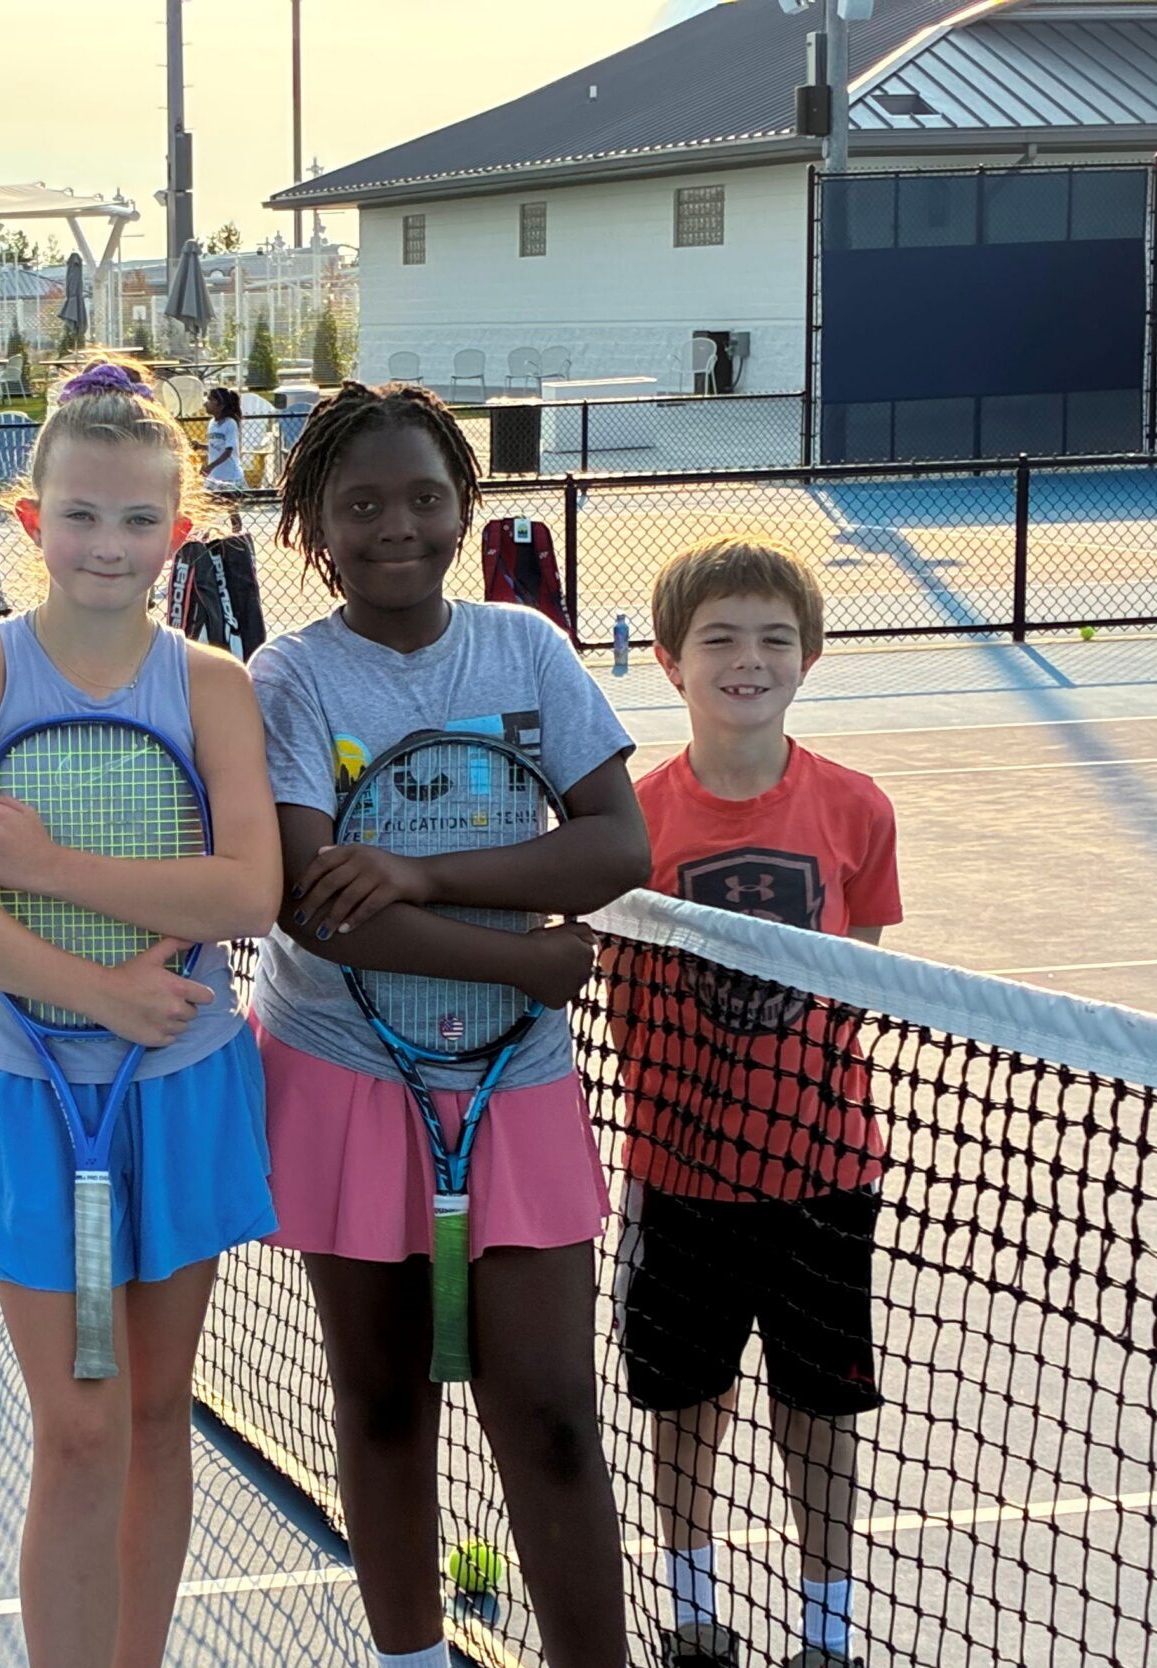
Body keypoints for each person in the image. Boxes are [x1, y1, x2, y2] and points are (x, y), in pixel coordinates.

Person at [0, 359, 283, 1668]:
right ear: (30, 521)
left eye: (135, 520)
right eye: (79, 515)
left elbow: (246, 890)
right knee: (81, 1426)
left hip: (187, 1090)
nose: (107, 545)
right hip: (29, 1092)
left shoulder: (214, 684)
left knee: (157, 1413)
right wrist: (101, 988)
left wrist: (51, 871)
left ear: (181, 531)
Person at [248, 380, 650, 1668]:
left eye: (423, 497)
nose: (395, 527)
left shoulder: (526, 651)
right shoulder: (291, 678)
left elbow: (614, 845)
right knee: (379, 1407)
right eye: (358, 505)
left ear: (465, 510)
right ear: (312, 526)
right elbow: (318, 908)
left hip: (514, 1088)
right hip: (341, 1071)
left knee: (550, 1419)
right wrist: (521, 966)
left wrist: (425, 878)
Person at [619, 537, 900, 1668]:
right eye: (719, 639)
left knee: (817, 1414)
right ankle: (694, 1620)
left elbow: (862, 965)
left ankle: (825, 1637)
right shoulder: (627, 824)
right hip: (679, 1176)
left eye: (773, 638)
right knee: (685, 1406)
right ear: (669, 662)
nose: (748, 659)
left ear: (810, 655)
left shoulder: (856, 809)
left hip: (824, 1178)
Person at [200, 385, 244, 492]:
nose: (205, 403)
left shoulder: (230, 423)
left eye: (210, 400)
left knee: (229, 507)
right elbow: (217, 447)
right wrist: (200, 446)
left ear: (220, 404)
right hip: (214, 476)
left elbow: (228, 451)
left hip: (229, 476)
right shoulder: (212, 423)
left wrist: (210, 467)